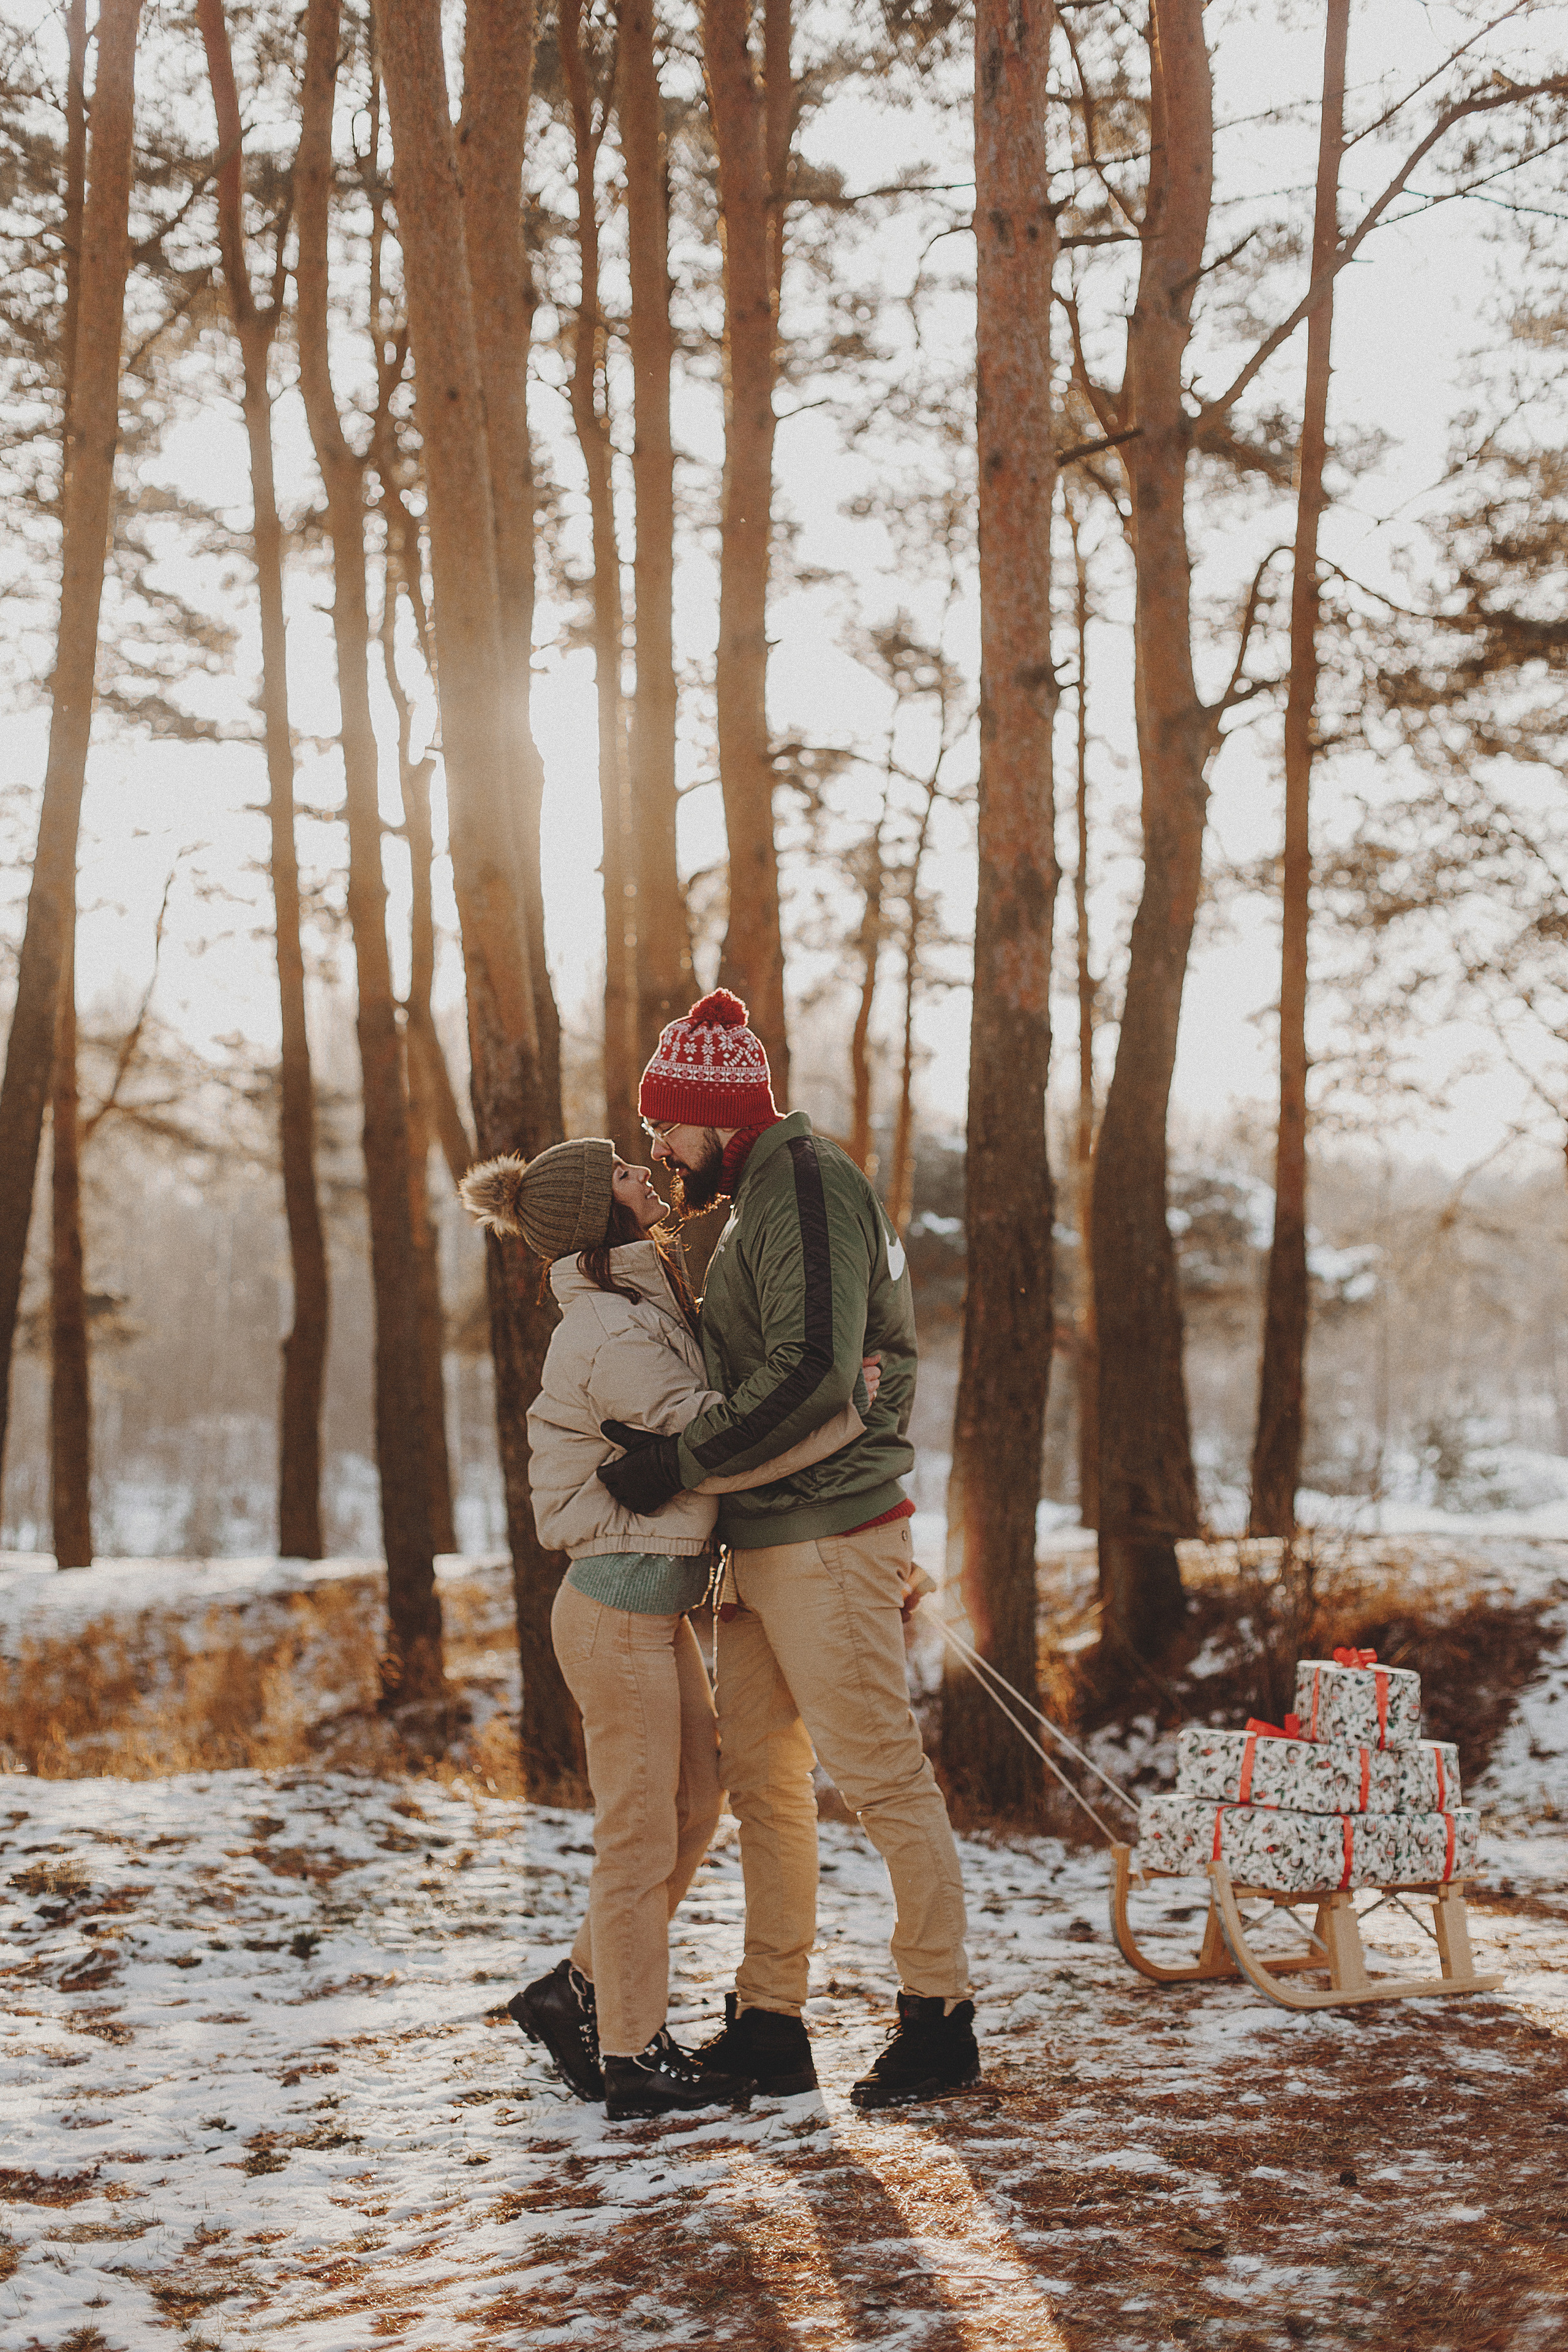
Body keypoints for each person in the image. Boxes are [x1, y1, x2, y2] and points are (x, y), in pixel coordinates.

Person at [596, 989, 978, 2111]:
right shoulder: (760, 1195)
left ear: (719, 1115)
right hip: (764, 1536)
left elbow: (814, 1370)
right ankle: (771, 2022)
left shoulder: (805, 1188)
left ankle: (940, 2019)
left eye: (666, 1127)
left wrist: (678, 1462)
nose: (659, 1151)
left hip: (828, 1532)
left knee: (879, 1772)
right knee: (764, 1783)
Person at [459, 1136, 864, 2122]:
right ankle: (632, 2056)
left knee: (690, 1810)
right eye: (622, 1174)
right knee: (639, 1837)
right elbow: (715, 1439)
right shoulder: (609, 1332)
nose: (645, 1174)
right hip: (614, 1614)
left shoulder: (640, 1303)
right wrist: (842, 1412)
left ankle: (574, 1992)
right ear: (598, 1214)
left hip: (648, 1610)